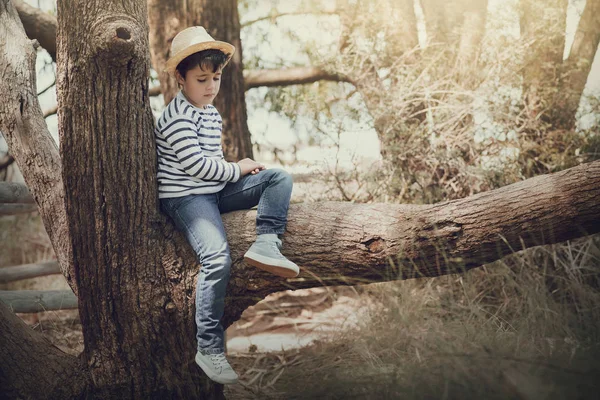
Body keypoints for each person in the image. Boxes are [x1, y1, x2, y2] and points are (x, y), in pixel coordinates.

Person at [156, 26, 300, 385]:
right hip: (186, 197)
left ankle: (267, 242)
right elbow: (197, 167)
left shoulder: (210, 112)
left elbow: (214, 167)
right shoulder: (176, 118)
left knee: (277, 177)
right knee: (216, 257)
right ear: (180, 77)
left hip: (214, 189)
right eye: (201, 78)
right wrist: (238, 167)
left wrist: (240, 174)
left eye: (216, 77)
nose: (210, 86)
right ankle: (209, 347)